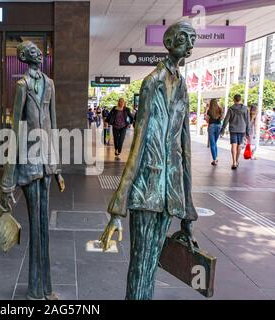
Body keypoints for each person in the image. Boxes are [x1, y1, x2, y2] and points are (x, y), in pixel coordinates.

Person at [100, 21, 198, 300]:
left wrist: (188, 212)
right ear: (169, 43)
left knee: (153, 264)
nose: (190, 44)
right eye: (184, 38)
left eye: (193, 38)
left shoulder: (181, 86)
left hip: (170, 192)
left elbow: (186, 147)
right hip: (146, 189)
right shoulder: (152, 83)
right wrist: (118, 208)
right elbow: (139, 142)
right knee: (141, 264)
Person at [0, 41, 64, 300]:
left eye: (38, 49)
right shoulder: (22, 86)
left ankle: (44, 288)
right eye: (32, 50)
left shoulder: (49, 84)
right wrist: (8, 180)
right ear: (25, 58)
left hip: (46, 163)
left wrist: (57, 168)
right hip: (28, 163)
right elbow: (15, 130)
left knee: (44, 229)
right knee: (36, 228)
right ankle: (36, 290)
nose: (38, 52)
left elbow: (54, 125)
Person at [220, 94, 250, 170]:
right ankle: (237, 161)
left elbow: (226, 120)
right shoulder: (245, 109)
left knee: (233, 145)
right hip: (242, 129)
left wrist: (223, 129)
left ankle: (234, 162)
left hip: (233, 129)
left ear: (234, 99)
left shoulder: (231, 109)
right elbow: (247, 121)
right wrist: (247, 132)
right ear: (240, 99)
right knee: (239, 145)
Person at [206, 98, 223, 165]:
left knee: (212, 144)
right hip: (218, 126)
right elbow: (222, 118)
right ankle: (216, 157)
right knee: (215, 143)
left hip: (211, 127)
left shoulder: (209, 110)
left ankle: (214, 159)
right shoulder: (220, 109)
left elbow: (207, 120)